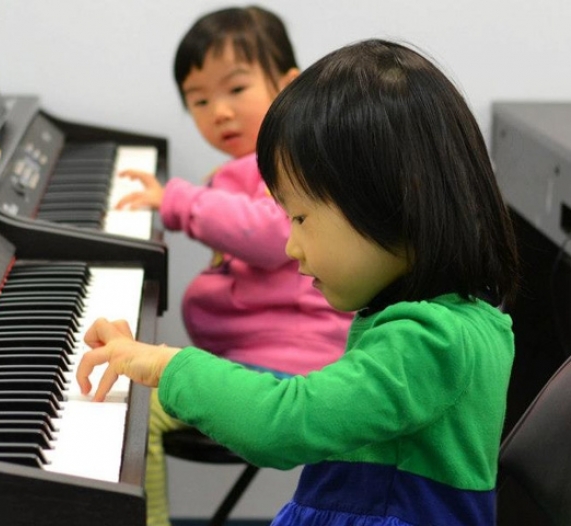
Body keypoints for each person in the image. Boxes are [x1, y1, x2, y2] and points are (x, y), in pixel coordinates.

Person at [78, 38, 519, 526]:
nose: (290, 247)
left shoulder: (430, 342)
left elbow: (285, 424)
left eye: (301, 218)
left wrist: (166, 364)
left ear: (397, 198)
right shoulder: (450, 321)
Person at [116, 6, 353, 525]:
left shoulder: (290, 161)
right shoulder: (245, 168)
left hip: (292, 366)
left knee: (138, 413)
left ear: (291, 87)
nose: (218, 111)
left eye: (236, 90)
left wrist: (175, 201)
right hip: (258, 354)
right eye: (199, 100)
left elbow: (270, 234)